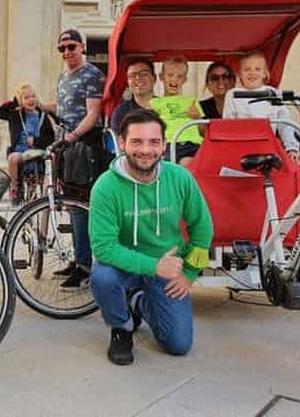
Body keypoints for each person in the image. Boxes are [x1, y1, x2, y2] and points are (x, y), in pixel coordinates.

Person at [89, 109, 213, 365]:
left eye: (154, 142)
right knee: (102, 277)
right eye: (136, 141)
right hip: (123, 265)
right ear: (122, 143)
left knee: (178, 345)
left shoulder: (180, 177)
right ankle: (122, 328)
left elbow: (202, 228)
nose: (146, 150)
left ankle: (138, 302)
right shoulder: (105, 186)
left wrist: (188, 274)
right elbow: (102, 247)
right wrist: (153, 265)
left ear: (164, 145)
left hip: (167, 269)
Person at [52, 28, 108, 289]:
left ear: (82, 47)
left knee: (80, 206)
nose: (67, 52)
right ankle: (78, 260)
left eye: (71, 47)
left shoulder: (92, 75)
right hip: (68, 146)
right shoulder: (63, 76)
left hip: (84, 146)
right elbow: (63, 108)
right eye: (62, 48)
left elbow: (93, 114)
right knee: (72, 206)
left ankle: (85, 266)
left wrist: (71, 137)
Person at [222, 51, 300, 164]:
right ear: (239, 74)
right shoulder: (232, 94)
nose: (252, 73)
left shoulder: (273, 93)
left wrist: (292, 149)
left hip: (268, 148)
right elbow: (228, 125)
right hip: (240, 147)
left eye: (257, 69)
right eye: (247, 69)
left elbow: (285, 125)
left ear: (265, 73)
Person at [0, 82, 55, 206]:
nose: (31, 100)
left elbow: (50, 137)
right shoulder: (15, 114)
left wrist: (36, 141)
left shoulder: (43, 116)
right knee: (12, 158)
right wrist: (15, 102)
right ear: (20, 101)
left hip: (38, 150)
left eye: (33, 96)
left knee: (50, 159)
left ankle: (45, 191)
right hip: (20, 150)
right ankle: (15, 188)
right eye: (26, 98)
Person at [149, 57, 202, 166]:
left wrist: (197, 118)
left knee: (191, 165)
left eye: (179, 76)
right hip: (169, 144)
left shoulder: (191, 101)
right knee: (178, 166)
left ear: (185, 80)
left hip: (193, 143)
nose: (175, 79)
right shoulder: (155, 103)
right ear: (161, 77)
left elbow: (203, 130)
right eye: (170, 75)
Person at [110, 59, 157, 135]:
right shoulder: (121, 112)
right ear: (128, 82)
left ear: (154, 78)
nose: (138, 78)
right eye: (132, 75)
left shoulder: (166, 106)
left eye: (144, 74)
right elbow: (118, 142)